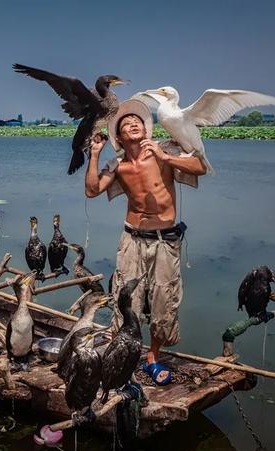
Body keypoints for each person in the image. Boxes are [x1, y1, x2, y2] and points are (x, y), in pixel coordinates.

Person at [84, 99, 207, 385]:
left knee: (164, 301)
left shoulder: (164, 150)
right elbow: (92, 190)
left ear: (145, 129)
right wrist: (94, 154)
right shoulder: (118, 165)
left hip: (165, 240)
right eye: (126, 124)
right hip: (132, 239)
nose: (133, 124)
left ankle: (152, 356)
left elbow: (200, 165)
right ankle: (122, 355)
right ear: (120, 137)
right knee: (126, 299)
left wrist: (166, 160)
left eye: (137, 121)